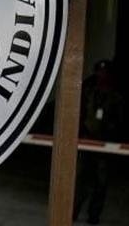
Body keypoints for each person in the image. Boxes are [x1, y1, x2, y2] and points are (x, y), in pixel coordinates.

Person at [73, 59, 124, 225]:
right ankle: (72, 211)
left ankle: (94, 214)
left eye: (105, 72)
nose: (101, 75)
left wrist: (110, 136)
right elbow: (80, 113)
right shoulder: (89, 93)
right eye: (99, 71)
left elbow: (120, 122)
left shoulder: (116, 98)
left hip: (104, 145)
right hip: (86, 141)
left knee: (100, 183)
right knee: (79, 180)